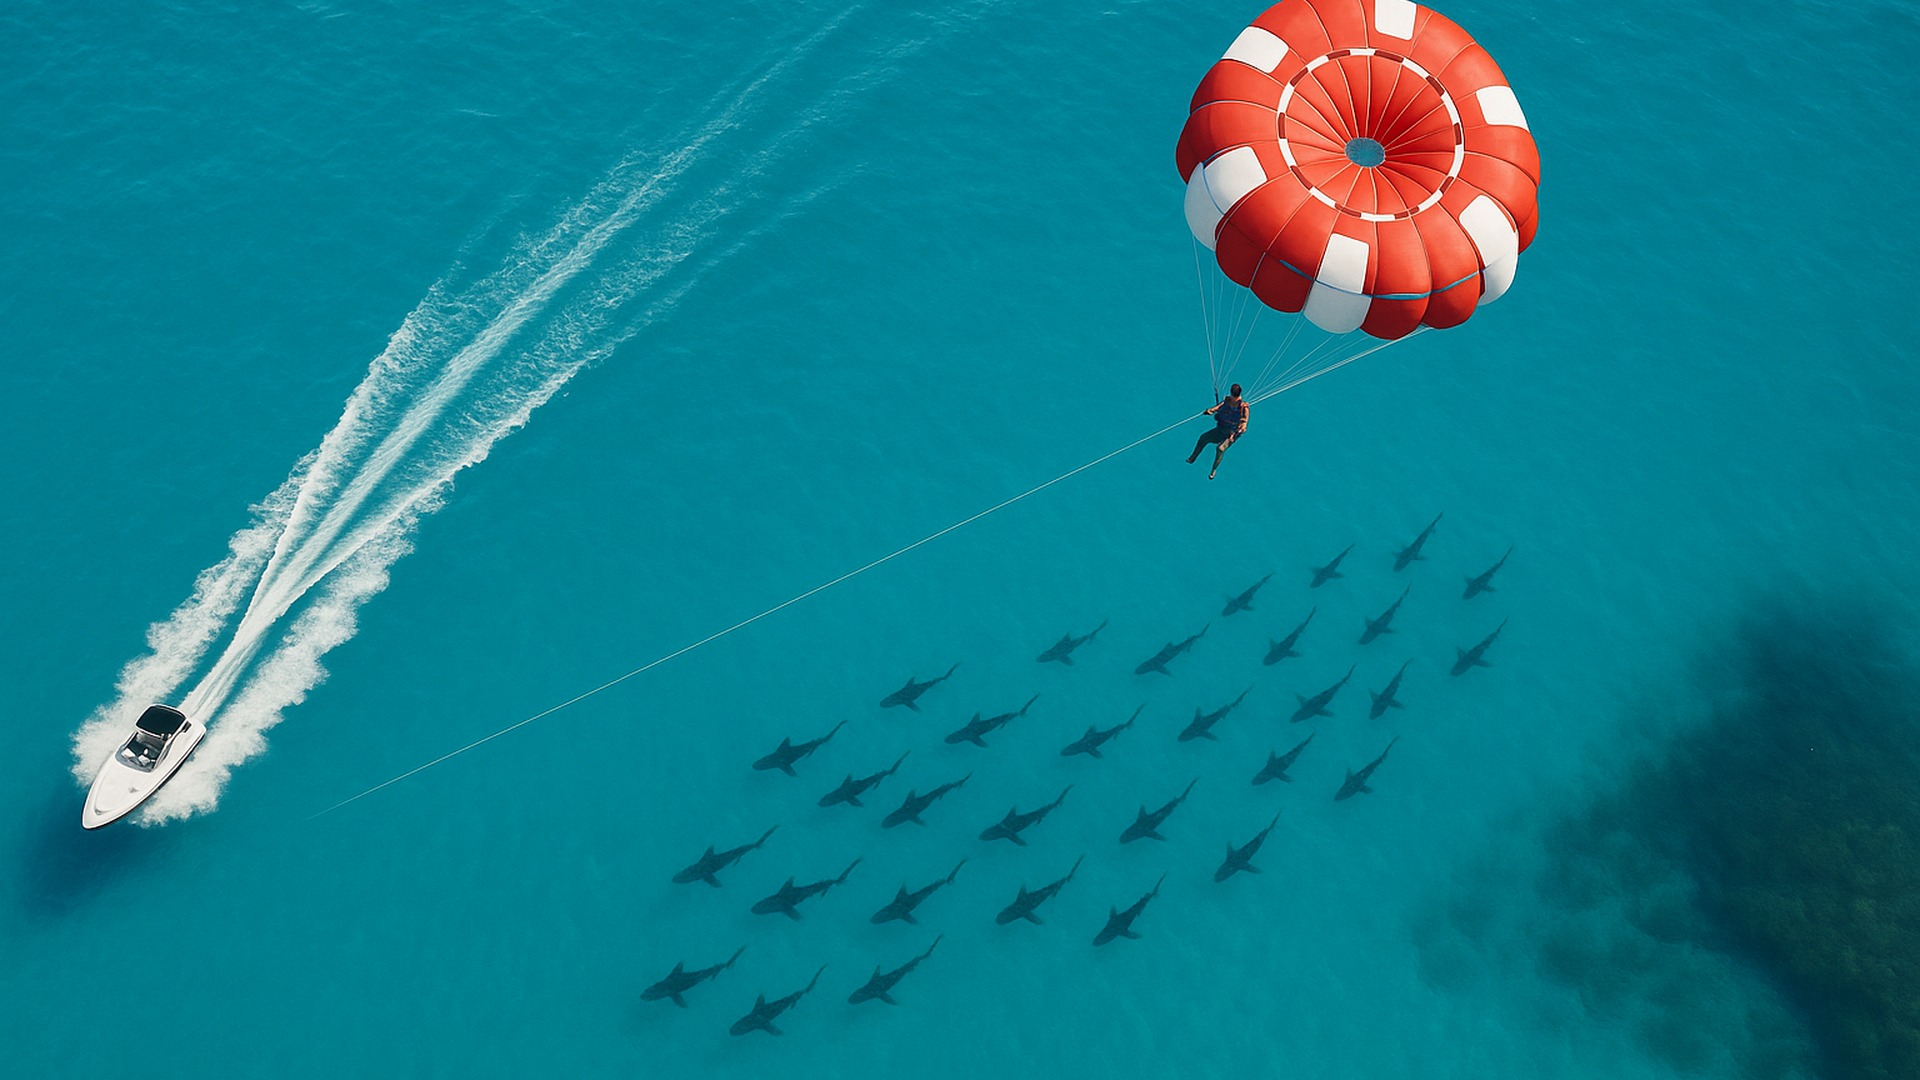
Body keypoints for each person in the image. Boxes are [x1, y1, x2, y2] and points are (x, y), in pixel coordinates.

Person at [1187, 383, 1248, 479]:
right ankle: (1193, 457)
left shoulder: (1244, 407)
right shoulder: (1227, 400)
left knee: (1220, 449)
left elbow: (1244, 421)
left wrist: (1242, 428)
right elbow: (1219, 407)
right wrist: (1210, 411)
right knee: (1203, 438)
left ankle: (1213, 470)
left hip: (1231, 434)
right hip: (1221, 429)